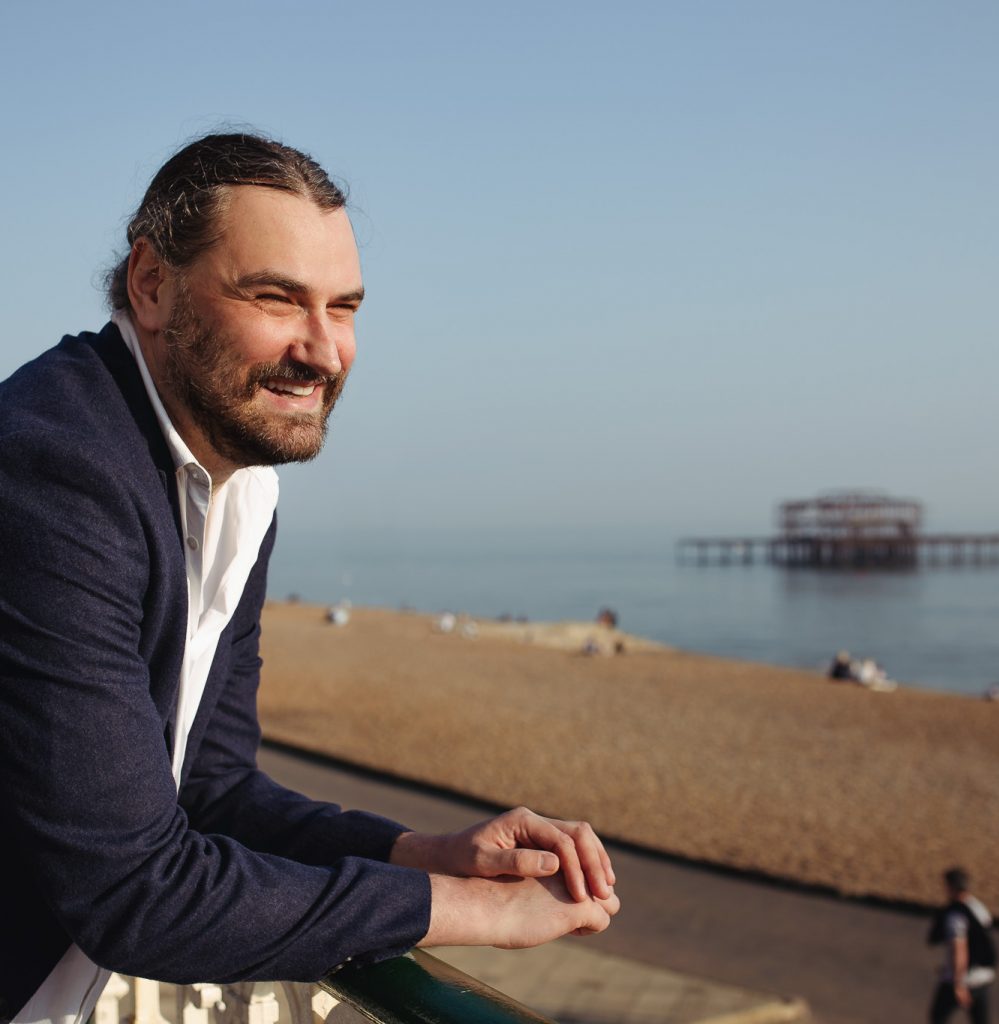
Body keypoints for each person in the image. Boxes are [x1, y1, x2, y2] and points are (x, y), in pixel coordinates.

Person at [0, 133, 618, 1024]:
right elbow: (136, 891)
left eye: (345, 308)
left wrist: (428, 855)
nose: (324, 350)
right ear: (152, 285)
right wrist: (469, 911)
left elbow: (208, 791)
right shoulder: (55, 473)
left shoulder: (235, 486)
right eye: (278, 298)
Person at [927, 867, 998, 1023]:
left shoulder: (956, 914)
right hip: (983, 976)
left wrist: (958, 983)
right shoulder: (977, 907)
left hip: (963, 977)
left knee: (938, 1017)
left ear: (951, 886)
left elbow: (959, 948)